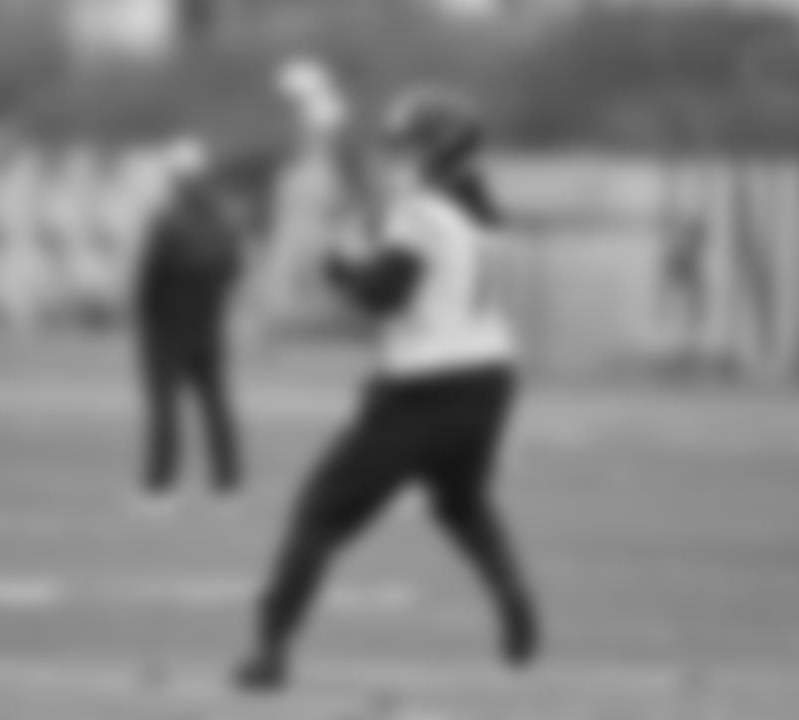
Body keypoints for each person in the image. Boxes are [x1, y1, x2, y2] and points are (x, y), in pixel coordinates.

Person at [234, 90, 540, 691]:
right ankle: (513, 594)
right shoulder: (484, 219)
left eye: (406, 146)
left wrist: (337, 262)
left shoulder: (422, 212)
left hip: (427, 383)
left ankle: (269, 653)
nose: (396, 157)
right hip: (492, 381)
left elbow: (383, 294)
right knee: (461, 504)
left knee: (318, 513)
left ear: (435, 151)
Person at [132, 140, 247, 514]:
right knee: (216, 408)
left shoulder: (167, 220)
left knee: (165, 410)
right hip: (208, 325)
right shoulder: (224, 219)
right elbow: (234, 270)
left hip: (166, 328)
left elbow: (149, 279)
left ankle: (160, 488)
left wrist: (147, 316)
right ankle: (227, 485)